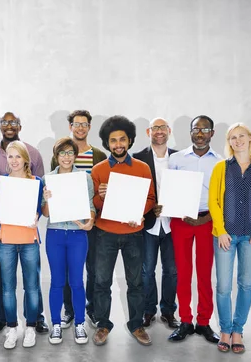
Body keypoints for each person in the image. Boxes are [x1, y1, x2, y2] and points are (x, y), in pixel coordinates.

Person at [209, 123, 251, 354]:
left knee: (246, 284)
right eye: (232, 138)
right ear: (229, 143)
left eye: (241, 136)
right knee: (223, 287)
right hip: (225, 235)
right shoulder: (221, 168)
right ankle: (225, 330)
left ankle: (238, 330)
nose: (237, 141)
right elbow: (214, 202)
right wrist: (221, 229)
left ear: (250, 138)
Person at [91, 116, 156, 346]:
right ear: (107, 143)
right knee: (101, 282)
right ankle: (102, 325)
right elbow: (94, 206)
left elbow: (150, 198)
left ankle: (136, 325)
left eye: (122, 139)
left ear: (129, 141)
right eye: (113, 140)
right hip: (105, 233)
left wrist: (140, 212)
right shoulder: (98, 170)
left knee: (136, 282)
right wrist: (99, 197)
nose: (118, 144)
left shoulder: (142, 168)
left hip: (133, 233)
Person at [0, 112, 48, 334]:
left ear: (20, 125)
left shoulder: (33, 153)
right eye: (5, 122)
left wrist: (38, 214)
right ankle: (2, 318)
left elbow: (38, 192)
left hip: (27, 229)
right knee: (2, 277)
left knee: (32, 279)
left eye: (13, 122)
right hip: (1, 228)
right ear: (0, 126)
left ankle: (36, 318)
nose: (9, 125)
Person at [167, 115, 222, 344]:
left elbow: (223, 195)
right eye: (196, 129)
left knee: (204, 273)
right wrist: (176, 210)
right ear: (190, 132)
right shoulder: (177, 159)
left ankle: (204, 322)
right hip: (181, 220)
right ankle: (186, 321)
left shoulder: (221, 161)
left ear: (212, 133)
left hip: (208, 221)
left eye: (205, 129)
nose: (200, 133)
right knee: (183, 272)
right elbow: (170, 190)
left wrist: (207, 218)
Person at [50, 110, 106, 328]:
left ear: (89, 127)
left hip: (91, 220)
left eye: (84, 124)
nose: (80, 127)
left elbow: (99, 187)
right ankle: (69, 311)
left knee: (91, 267)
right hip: (64, 221)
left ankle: (89, 309)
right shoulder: (60, 152)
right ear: (70, 127)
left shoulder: (99, 155)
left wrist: (92, 215)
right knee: (66, 271)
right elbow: (53, 183)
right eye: (76, 124)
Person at [42, 137, 96, 345]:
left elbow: (90, 206)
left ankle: (80, 324)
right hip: (55, 234)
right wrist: (46, 198)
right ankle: (56, 324)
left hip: (77, 235)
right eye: (62, 153)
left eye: (70, 153)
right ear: (56, 157)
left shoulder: (84, 178)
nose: (66, 157)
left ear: (75, 156)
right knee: (57, 281)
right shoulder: (48, 179)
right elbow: (46, 213)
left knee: (76, 281)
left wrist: (90, 222)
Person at [0, 141, 44, 349]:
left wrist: (36, 216)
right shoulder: (1, 181)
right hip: (6, 240)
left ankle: (30, 327)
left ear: (25, 159)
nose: (13, 161)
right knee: (7, 288)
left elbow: (38, 209)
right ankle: (12, 328)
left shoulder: (36, 182)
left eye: (17, 156)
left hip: (29, 240)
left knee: (31, 287)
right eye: (10, 157)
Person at [132, 117, 180, 329]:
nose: (159, 131)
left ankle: (168, 311)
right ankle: (148, 310)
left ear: (168, 131)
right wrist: (149, 208)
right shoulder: (138, 158)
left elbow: (185, 189)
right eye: (154, 128)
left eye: (162, 127)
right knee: (147, 270)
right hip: (149, 223)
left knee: (171, 270)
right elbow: (134, 191)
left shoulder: (180, 157)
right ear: (148, 132)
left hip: (174, 223)